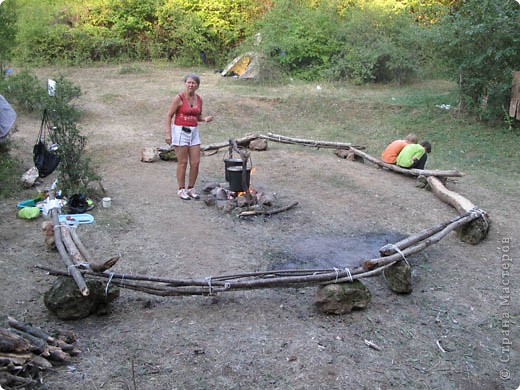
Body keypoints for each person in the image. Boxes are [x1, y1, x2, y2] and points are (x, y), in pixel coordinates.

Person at [165, 73, 213, 200]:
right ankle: (181, 189)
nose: (191, 85)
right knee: (183, 162)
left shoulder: (199, 99)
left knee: (195, 162)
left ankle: (191, 188)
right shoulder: (179, 98)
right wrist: (168, 133)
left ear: (197, 85)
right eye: (189, 82)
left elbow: (197, 116)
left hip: (194, 131)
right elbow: (169, 115)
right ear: (185, 83)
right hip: (180, 131)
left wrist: (205, 119)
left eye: (194, 83)